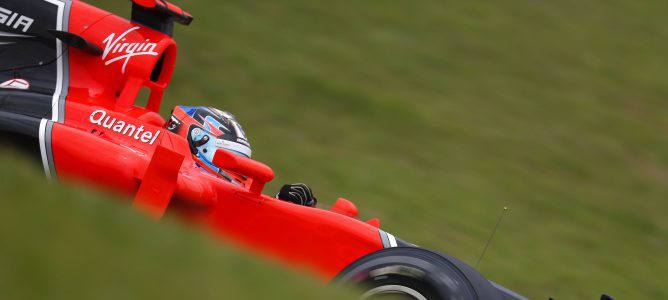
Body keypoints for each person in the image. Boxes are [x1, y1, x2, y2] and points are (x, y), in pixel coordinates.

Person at [165, 105, 317, 207]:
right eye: (231, 155)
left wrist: (284, 205)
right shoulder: (167, 172)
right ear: (198, 142)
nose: (240, 172)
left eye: (241, 158)